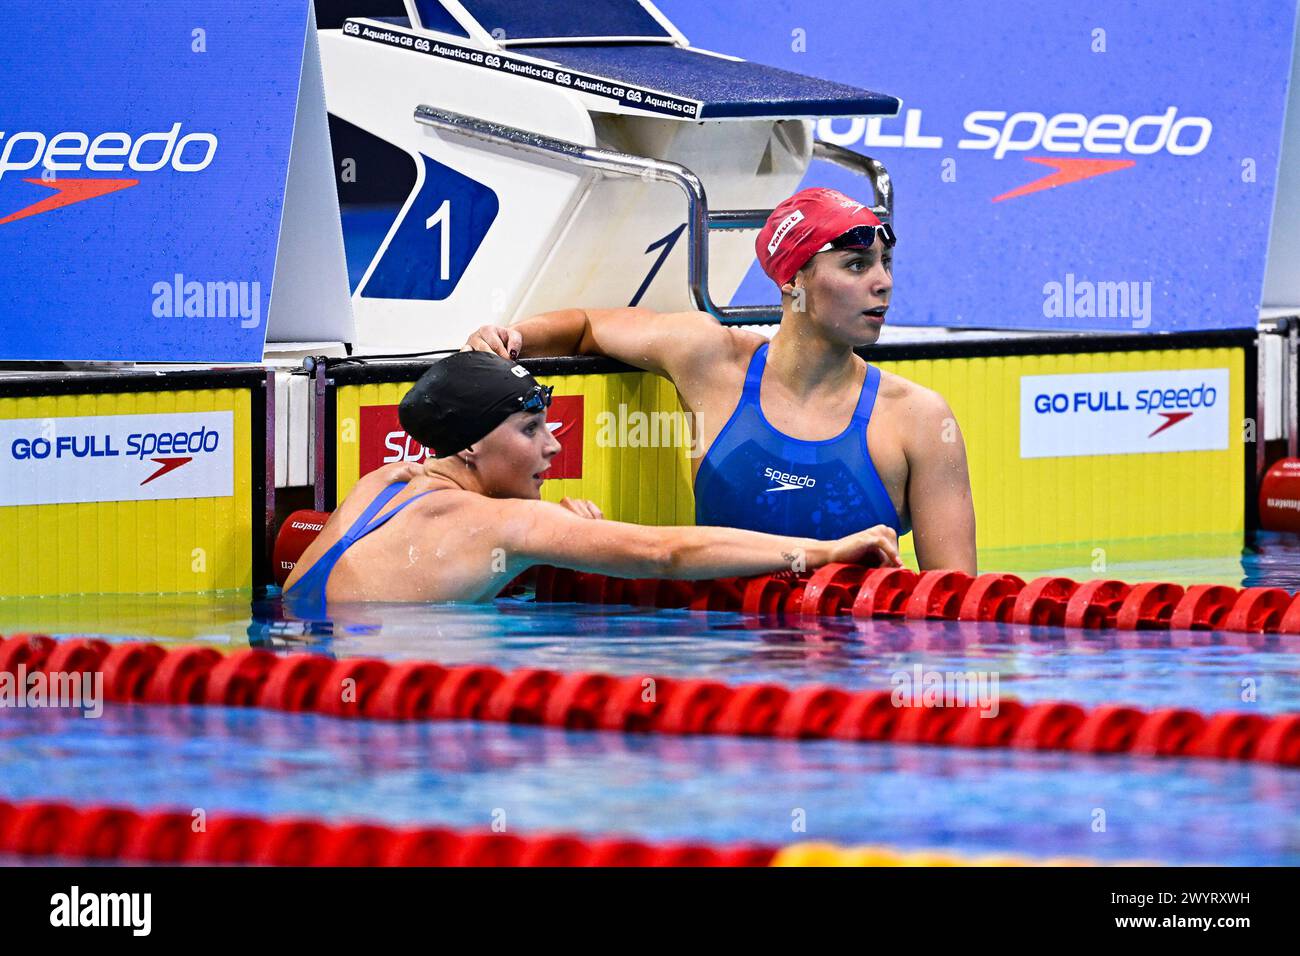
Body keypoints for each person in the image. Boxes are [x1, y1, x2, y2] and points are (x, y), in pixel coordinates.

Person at [463, 187, 976, 573]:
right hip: (718, 662)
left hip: (851, 681)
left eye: (885, 263)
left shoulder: (919, 419)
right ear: (793, 280)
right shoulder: (711, 360)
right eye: (856, 265)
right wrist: (513, 338)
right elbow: (587, 327)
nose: (883, 282)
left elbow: (957, 608)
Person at [282, 351, 901, 610]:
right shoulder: (504, 521)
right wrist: (821, 551)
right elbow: (665, 553)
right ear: (470, 445)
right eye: (529, 430)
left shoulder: (384, 480)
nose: (553, 445)